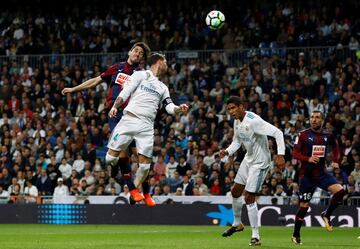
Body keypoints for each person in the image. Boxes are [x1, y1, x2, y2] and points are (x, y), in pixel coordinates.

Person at [62, 42, 153, 204]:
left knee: (140, 158)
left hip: (134, 117)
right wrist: (73, 89)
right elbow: (95, 80)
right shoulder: (117, 68)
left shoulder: (142, 74)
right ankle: (132, 190)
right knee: (124, 153)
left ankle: (137, 189)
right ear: (130, 52)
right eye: (136, 51)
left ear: (142, 59)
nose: (138, 54)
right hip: (116, 114)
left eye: (141, 54)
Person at [106, 52, 188, 205]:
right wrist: (115, 107)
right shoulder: (140, 75)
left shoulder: (163, 87)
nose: (167, 65)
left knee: (144, 167)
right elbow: (125, 92)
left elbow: (169, 107)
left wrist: (178, 109)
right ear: (158, 62)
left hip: (146, 127)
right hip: (129, 119)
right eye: (165, 62)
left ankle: (133, 191)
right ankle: (119, 173)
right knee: (110, 158)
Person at [219, 96, 285, 246]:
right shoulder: (237, 122)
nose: (231, 111)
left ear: (242, 106)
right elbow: (237, 141)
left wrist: (280, 154)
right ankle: (237, 223)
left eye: (233, 108)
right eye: (229, 109)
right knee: (235, 191)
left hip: (260, 162)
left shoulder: (254, 121)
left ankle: (255, 235)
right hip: (248, 160)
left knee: (248, 196)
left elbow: (278, 133)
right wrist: (227, 152)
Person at [291, 111, 345, 245]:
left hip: (321, 173)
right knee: (304, 206)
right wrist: (307, 158)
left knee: (340, 191)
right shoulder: (303, 135)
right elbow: (295, 153)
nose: (314, 120)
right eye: (312, 117)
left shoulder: (328, 135)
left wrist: (336, 160)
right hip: (306, 175)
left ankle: (326, 214)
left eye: (317, 118)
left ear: (322, 120)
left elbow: (336, 147)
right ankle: (296, 235)